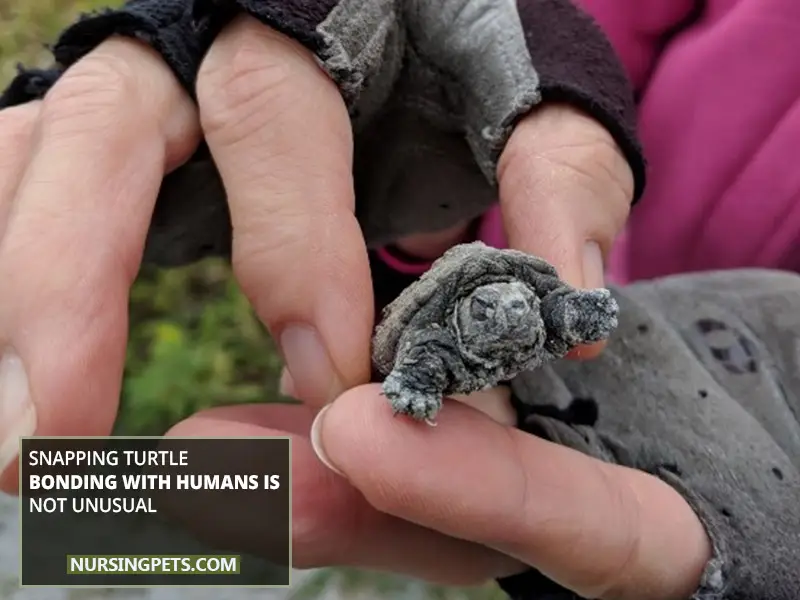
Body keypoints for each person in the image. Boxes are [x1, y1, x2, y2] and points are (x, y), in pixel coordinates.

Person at [0, 1, 796, 599]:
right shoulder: (486, 306)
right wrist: (436, 121)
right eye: (502, 307)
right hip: (437, 299)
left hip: (559, 459)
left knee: (264, 508)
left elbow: (513, 330)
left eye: (518, 310)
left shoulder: (514, 325)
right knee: (119, 511)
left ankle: (59, 540)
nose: (512, 313)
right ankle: (38, 534)